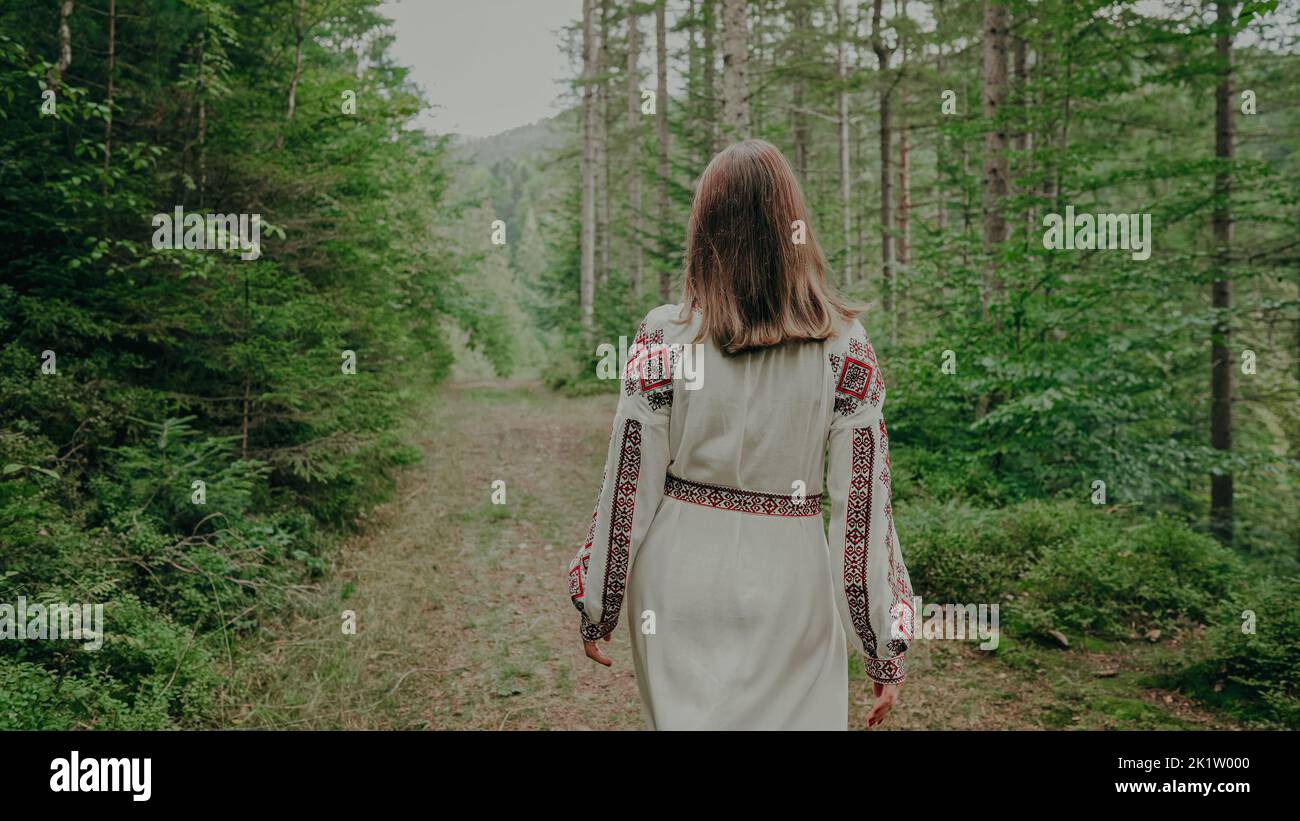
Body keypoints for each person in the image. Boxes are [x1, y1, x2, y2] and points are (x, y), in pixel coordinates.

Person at [567, 139, 913, 730]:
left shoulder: (663, 337)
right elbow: (860, 512)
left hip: (679, 579)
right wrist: (883, 642)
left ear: (707, 231)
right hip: (791, 584)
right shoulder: (844, 345)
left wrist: (599, 601)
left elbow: (630, 485)